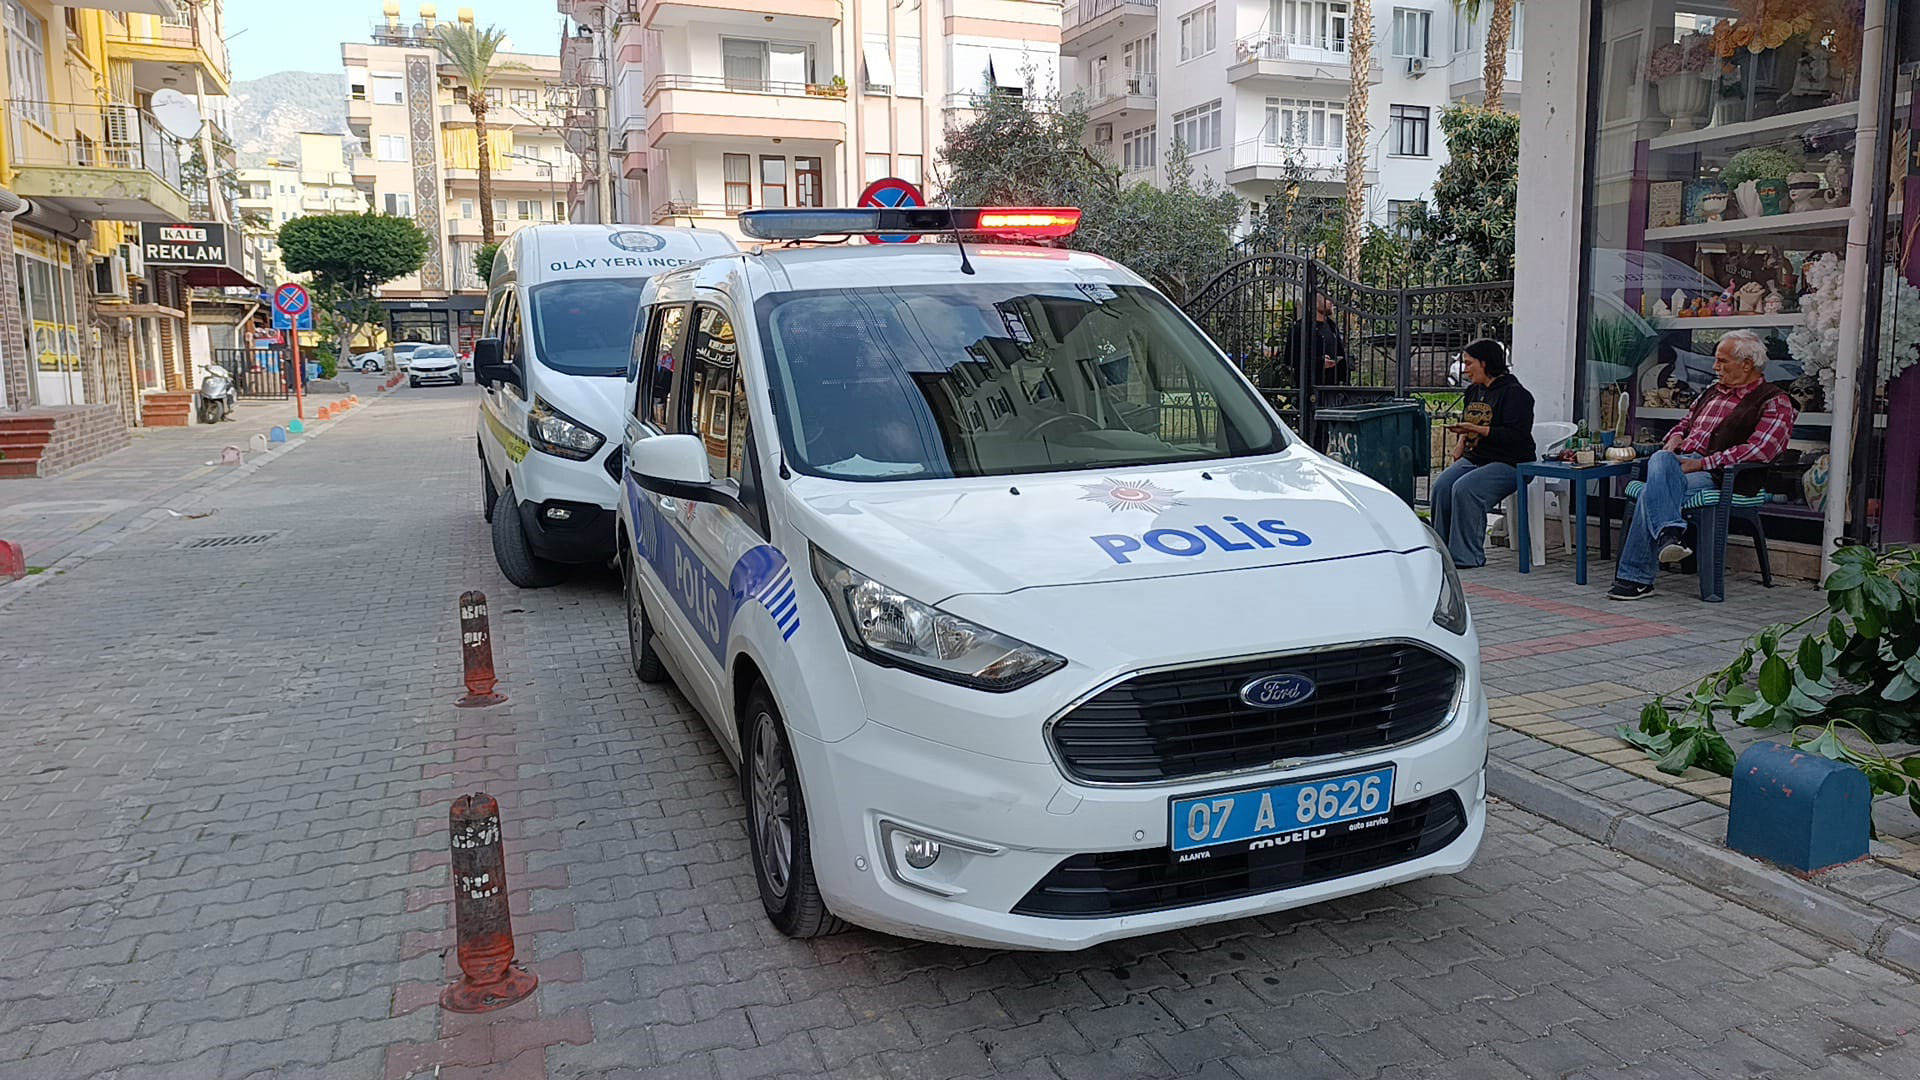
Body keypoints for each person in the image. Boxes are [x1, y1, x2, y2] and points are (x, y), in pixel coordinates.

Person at [1609, 330, 1797, 601]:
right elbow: (1684, 424)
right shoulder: (1711, 392)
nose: (1715, 367)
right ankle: (1668, 534)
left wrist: (1702, 464)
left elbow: (1760, 451)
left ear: (1747, 364)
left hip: (1719, 475)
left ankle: (1637, 576)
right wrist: (1675, 437)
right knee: (1661, 458)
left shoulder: (1775, 401)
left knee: (1652, 491)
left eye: (1722, 361)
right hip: (1679, 463)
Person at [1430, 339, 1536, 568]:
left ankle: (1467, 557)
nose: (1465, 370)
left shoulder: (1516, 394)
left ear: (1485, 363)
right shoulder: (1473, 391)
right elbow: (1468, 422)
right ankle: (1441, 552)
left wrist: (1476, 429)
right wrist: (1461, 443)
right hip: (1477, 457)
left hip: (1511, 462)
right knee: (1442, 486)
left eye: (1469, 364)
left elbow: (1515, 435)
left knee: (1465, 489)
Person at [1283, 295, 1350, 386]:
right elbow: (1290, 358)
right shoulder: (1300, 328)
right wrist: (1319, 362)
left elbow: (1339, 352)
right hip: (1310, 387)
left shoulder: (1332, 326)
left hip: (1333, 387)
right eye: (1327, 299)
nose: (1332, 302)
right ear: (1316, 303)